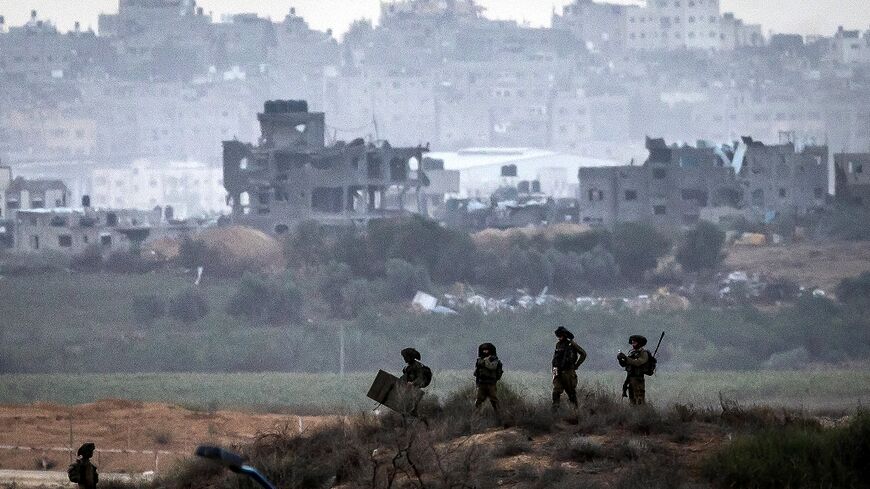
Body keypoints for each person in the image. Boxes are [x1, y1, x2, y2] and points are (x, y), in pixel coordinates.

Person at [551, 326, 587, 412]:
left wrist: (576, 365)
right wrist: (554, 370)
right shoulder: (558, 345)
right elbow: (555, 358)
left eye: (560, 336)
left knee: (571, 393)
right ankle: (554, 412)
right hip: (558, 372)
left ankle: (576, 412)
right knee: (556, 391)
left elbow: (583, 354)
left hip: (568, 373)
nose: (559, 338)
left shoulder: (571, 344)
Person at [473, 342, 503, 420]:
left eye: (487, 350)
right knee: (479, 400)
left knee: (494, 400)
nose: (485, 352)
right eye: (484, 350)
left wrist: (486, 361)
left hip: (491, 383)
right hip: (482, 383)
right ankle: (477, 417)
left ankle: (500, 417)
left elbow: (492, 367)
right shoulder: (479, 360)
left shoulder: (494, 360)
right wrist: (477, 383)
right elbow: (477, 373)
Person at [617, 335, 650, 405]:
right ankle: (633, 414)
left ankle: (643, 414)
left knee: (640, 401)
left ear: (639, 343)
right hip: (630, 379)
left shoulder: (644, 353)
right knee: (632, 401)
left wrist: (626, 358)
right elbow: (625, 364)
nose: (633, 344)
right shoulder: (632, 353)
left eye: (634, 343)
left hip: (638, 379)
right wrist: (620, 359)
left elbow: (638, 362)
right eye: (632, 343)